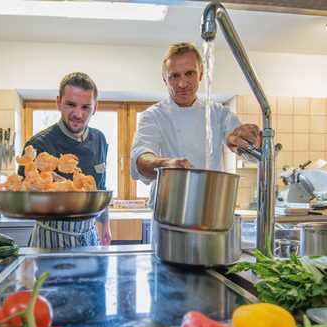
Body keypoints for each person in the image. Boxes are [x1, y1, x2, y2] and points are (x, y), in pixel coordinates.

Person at [131, 42, 261, 207]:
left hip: (211, 210)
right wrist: (166, 165)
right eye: (174, 76)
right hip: (168, 211)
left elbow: (244, 147)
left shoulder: (219, 113)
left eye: (189, 73)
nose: (182, 84)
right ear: (165, 79)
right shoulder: (153, 116)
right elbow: (141, 158)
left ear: (200, 74)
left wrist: (249, 140)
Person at [18, 72, 111, 249]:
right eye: (71, 105)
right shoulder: (38, 144)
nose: (78, 113)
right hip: (51, 238)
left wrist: (105, 225)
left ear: (95, 108)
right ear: (59, 102)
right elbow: (24, 200)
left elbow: (101, 187)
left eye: (86, 107)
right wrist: (57, 186)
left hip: (89, 235)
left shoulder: (99, 139)